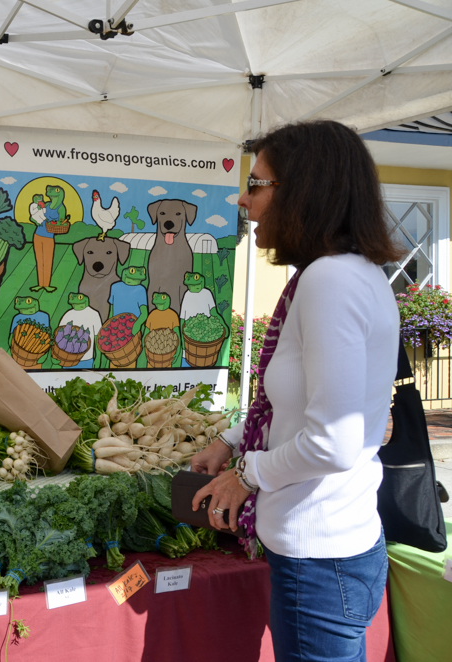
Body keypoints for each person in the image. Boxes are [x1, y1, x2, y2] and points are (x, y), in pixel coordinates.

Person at [190, 120, 403, 662]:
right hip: (334, 548)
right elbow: (303, 401)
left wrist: (247, 475)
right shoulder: (350, 273)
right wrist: (233, 439)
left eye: (257, 184)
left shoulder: (330, 282)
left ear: (304, 190)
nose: (244, 198)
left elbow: (332, 442)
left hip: (321, 557)